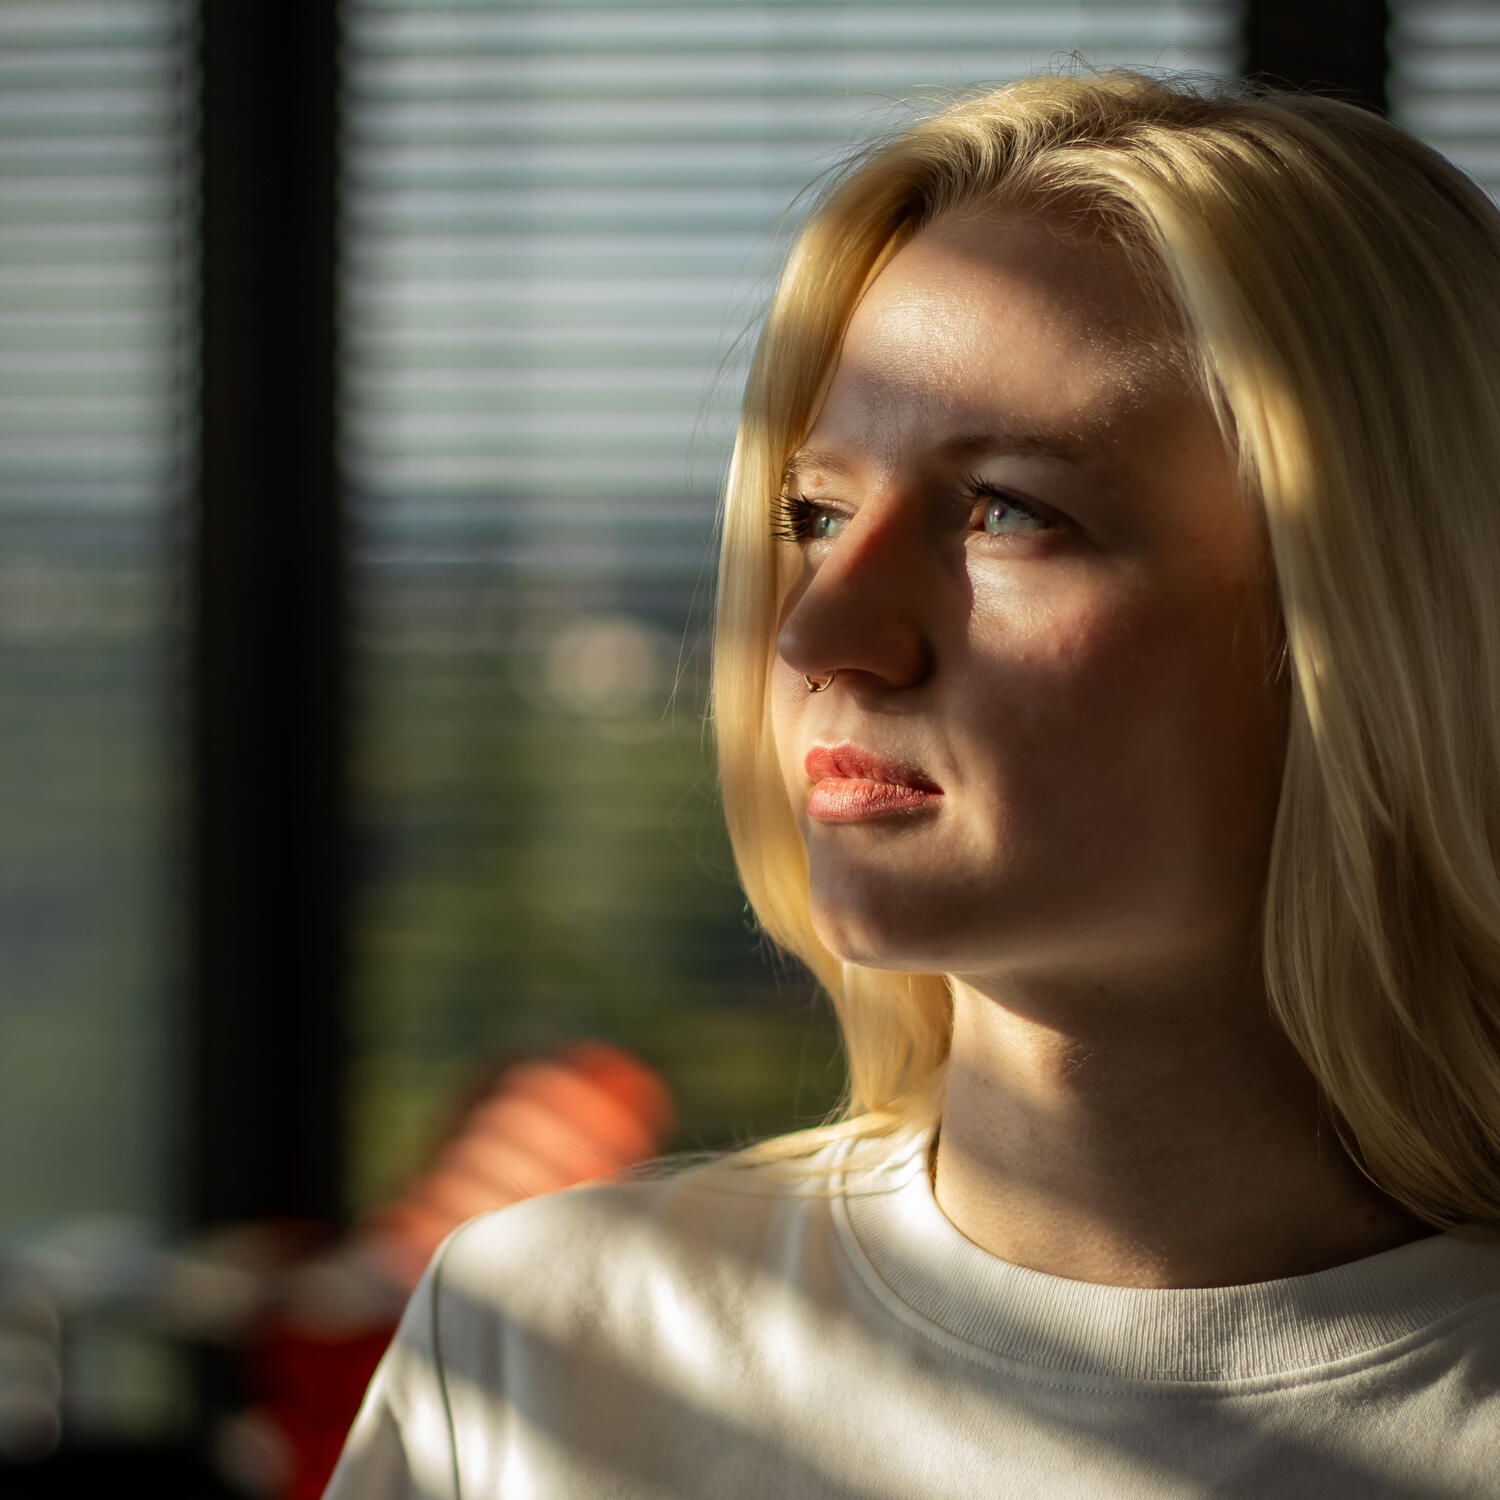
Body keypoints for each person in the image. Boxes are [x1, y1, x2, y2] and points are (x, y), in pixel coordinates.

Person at [322, 66, 1500, 1498]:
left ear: (1390, 620)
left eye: (1010, 509)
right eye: (813, 514)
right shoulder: (556, 1349)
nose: (819, 632)